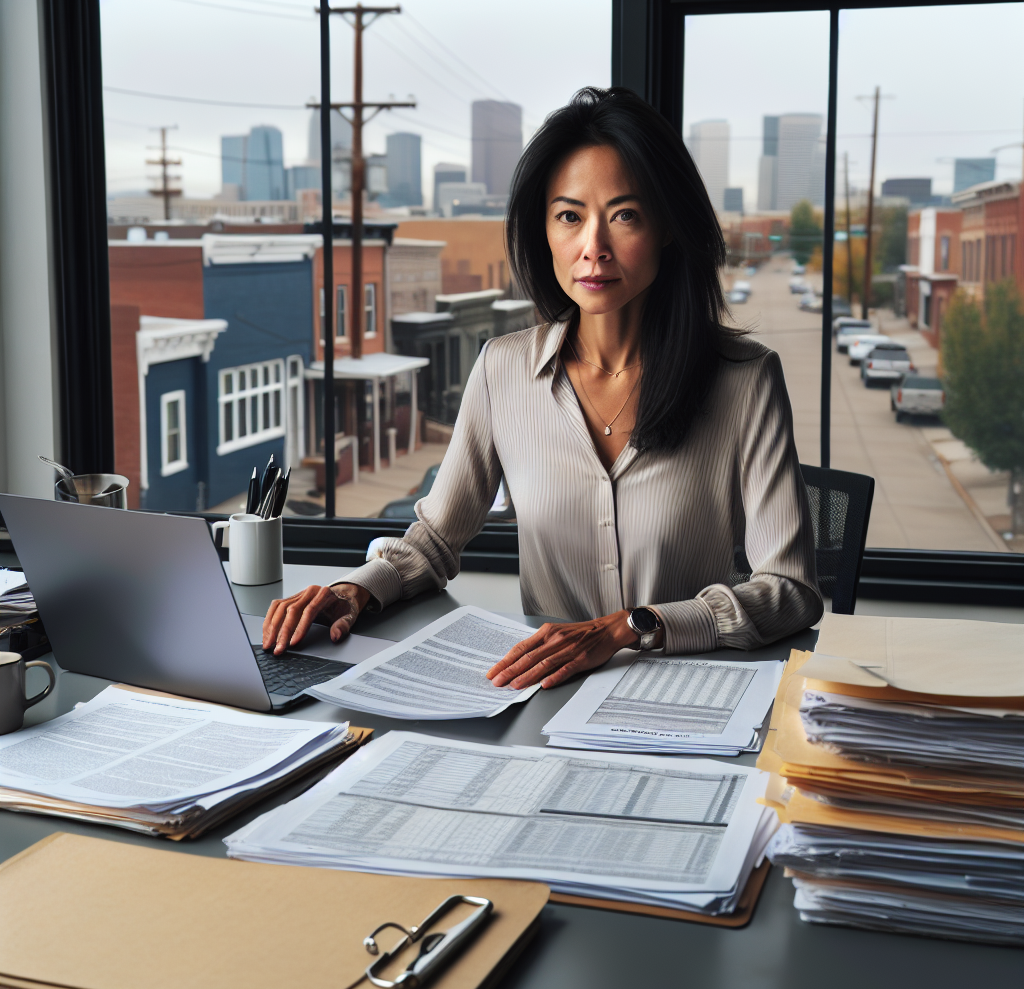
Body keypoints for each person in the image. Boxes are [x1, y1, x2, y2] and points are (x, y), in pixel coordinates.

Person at [263, 86, 822, 691]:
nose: (594, 248)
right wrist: (354, 591)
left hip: (690, 694)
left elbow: (790, 591)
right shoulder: (503, 370)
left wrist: (630, 627)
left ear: (666, 227)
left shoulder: (745, 380)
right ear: (545, 231)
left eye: (625, 215)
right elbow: (433, 540)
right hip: (546, 698)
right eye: (570, 216)